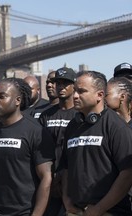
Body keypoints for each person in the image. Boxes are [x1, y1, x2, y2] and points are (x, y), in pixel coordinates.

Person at [0, 78, 55, 216]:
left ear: (18, 100)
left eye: (2, 96)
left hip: (24, 211)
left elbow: (46, 178)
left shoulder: (36, 131)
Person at [61, 70, 132, 215]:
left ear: (100, 95)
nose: (75, 96)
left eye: (81, 91)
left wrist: (99, 209)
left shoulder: (116, 127)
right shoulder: (73, 126)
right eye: (75, 90)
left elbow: (128, 173)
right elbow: (66, 167)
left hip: (108, 211)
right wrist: (66, 200)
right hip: (75, 210)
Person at [39, 67, 77, 216]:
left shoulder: (79, 115)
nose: (61, 87)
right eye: (58, 83)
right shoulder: (46, 116)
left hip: (74, 179)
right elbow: (42, 149)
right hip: (51, 179)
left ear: (74, 86)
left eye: (66, 83)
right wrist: (50, 176)